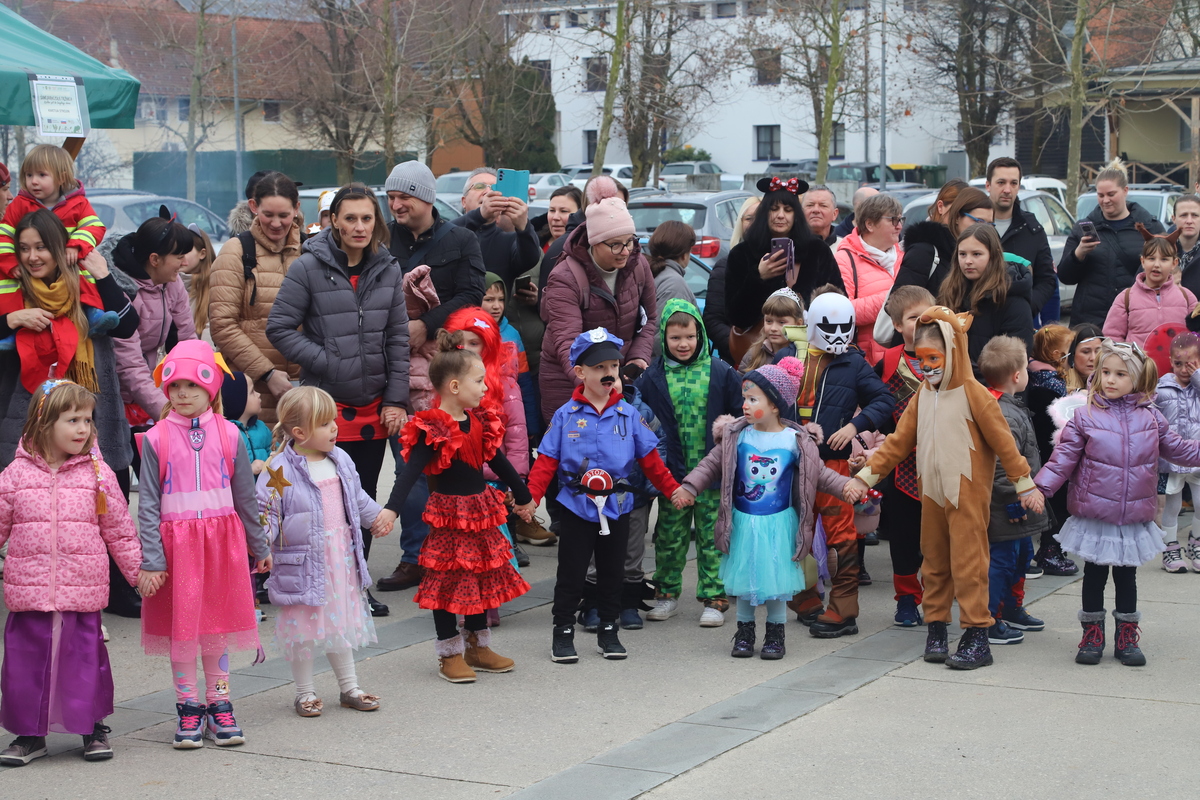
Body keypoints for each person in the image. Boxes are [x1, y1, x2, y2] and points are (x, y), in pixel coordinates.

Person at [848, 307, 1045, 670]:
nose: (926, 367)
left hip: (967, 497)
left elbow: (1005, 445)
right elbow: (897, 443)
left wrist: (1025, 485)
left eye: (934, 358)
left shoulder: (975, 394)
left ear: (954, 352)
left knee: (970, 565)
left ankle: (977, 635)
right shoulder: (922, 396)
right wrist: (864, 478)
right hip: (932, 497)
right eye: (921, 359)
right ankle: (936, 627)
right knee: (934, 563)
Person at [267, 184, 410, 616]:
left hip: (373, 406)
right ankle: (325, 585)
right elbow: (280, 327)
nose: (359, 227)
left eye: (367, 218)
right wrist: (328, 361)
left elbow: (398, 337)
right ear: (333, 221)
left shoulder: (388, 268)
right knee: (325, 504)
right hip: (326, 408)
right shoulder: (308, 267)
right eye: (350, 218)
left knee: (361, 497)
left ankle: (356, 587)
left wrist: (396, 399)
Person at [674, 357, 861, 658]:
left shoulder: (794, 440)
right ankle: (745, 632)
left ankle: (775, 634)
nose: (745, 405)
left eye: (753, 399)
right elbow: (711, 464)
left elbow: (820, 475)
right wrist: (689, 486)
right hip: (744, 522)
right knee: (745, 579)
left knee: (776, 580)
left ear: (775, 405)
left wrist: (846, 486)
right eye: (744, 398)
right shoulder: (737, 435)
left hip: (778, 524)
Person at [135, 341, 271, 748]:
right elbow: (148, 504)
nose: (183, 393)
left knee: (215, 628)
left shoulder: (229, 435)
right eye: (175, 385)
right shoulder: (155, 438)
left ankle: (219, 704)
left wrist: (259, 545)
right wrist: (152, 559)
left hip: (220, 547)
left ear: (210, 387)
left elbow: (246, 498)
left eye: (192, 385)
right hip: (177, 550)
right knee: (182, 630)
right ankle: (188, 708)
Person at [521, 328, 685, 663]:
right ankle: (562, 632)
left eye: (613, 366)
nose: (609, 373)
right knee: (571, 574)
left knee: (613, 573)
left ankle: (609, 630)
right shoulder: (565, 416)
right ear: (580, 373)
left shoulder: (629, 415)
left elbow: (651, 461)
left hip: (617, 506)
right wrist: (531, 498)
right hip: (577, 507)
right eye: (599, 367)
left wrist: (673, 489)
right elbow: (546, 461)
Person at [0, 380, 141, 767]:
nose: (83, 428)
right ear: (44, 422)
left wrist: (138, 573)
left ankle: (92, 728)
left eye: (88, 420)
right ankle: (30, 735)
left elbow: (119, 529)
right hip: (30, 591)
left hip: (82, 588)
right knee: (26, 667)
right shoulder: (15, 475)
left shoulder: (97, 473)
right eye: (73, 420)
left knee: (83, 662)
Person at [1036, 339, 1200, 666]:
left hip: (1132, 517)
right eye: (1106, 372)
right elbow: (1062, 459)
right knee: (1095, 575)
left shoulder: (1151, 418)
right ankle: (1092, 636)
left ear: (1137, 379)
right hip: (1096, 514)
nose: (1110, 379)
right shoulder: (1085, 417)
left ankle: (1126, 638)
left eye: (1120, 374)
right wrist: (1040, 489)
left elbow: (1180, 449)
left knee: (1126, 578)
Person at [384, 337, 532, 683]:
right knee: (447, 581)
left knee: (479, 576)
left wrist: (524, 496)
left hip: (480, 511)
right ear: (454, 386)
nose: (485, 387)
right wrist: (391, 510)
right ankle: (449, 653)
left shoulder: (479, 421)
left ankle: (478, 647)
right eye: (478, 381)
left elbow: (500, 462)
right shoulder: (432, 428)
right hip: (450, 517)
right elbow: (410, 473)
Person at [259, 387, 389, 716]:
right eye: (324, 423)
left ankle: (349, 687)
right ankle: (304, 693)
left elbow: (356, 497)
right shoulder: (279, 470)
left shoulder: (340, 459)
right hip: (302, 563)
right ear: (300, 432)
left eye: (333, 420)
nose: (334, 427)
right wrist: (261, 545)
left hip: (339, 557)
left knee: (339, 623)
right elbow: (267, 512)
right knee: (302, 629)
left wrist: (376, 518)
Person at [784, 290, 895, 636]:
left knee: (842, 536)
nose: (837, 334)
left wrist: (854, 426)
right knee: (794, 533)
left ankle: (844, 609)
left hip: (832, 465)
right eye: (829, 327)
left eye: (843, 327)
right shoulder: (789, 355)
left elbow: (884, 400)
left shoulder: (853, 362)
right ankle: (803, 599)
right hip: (790, 464)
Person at [0, 210, 139, 484]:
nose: (32, 257)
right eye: (24, 249)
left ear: (59, 247)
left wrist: (103, 275)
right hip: (27, 431)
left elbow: (127, 326)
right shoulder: (10, 289)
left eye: (41, 247)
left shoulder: (86, 283)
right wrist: (12, 320)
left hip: (94, 425)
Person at [637, 300, 743, 627]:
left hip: (712, 474)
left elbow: (741, 416)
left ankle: (714, 597)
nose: (683, 344)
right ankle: (666, 593)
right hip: (672, 477)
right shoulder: (652, 376)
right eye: (675, 338)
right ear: (663, 339)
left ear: (700, 335)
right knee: (669, 537)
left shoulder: (721, 372)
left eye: (689, 336)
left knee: (713, 538)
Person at [539, 195, 657, 422]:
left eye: (630, 241)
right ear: (594, 242)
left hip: (619, 378)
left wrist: (638, 358)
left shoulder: (638, 265)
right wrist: (602, 384)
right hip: (568, 383)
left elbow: (649, 318)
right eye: (615, 244)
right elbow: (567, 344)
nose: (626, 251)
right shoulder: (565, 277)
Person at [210, 171, 304, 426]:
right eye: (268, 214)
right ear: (253, 206)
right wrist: (267, 373)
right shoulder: (235, 252)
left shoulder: (310, 251)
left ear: (296, 209)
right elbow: (222, 325)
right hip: (250, 392)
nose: (276, 223)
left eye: (284, 215)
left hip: (301, 390)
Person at [725, 177, 843, 365]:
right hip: (761, 355)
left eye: (788, 210)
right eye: (774, 209)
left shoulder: (817, 250)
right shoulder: (742, 253)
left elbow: (837, 302)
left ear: (796, 214)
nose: (780, 216)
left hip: (811, 353)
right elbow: (736, 317)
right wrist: (758, 278)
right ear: (764, 213)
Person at [979, 336, 1049, 647]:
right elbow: (999, 465)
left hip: (1017, 501)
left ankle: (1011, 608)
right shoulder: (1002, 412)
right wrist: (1015, 496)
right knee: (1002, 562)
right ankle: (990, 618)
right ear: (1018, 376)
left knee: (1021, 557)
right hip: (1006, 504)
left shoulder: (1008, 406)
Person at [872, 285, 935, 627]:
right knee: (904, 536)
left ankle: (938, 594)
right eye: (913, 318)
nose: (922, 322)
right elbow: (876, 405)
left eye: (928, 316)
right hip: (902, 468)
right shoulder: (888, 361)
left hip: (942, 463)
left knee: (940, 537)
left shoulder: (953, 357)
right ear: (897, 325)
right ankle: (907, 599)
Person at [108, 214, 198, 425]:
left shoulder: (172, 282)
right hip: (113, 393)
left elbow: (187, 341)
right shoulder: (121, 291)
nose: (185, 263)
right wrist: (170, 415)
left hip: (147, 392)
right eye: (179, 257)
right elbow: (130, 365)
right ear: (155, 260)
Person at [1059, 159, 1166, 327]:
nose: (1105, 200)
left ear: (1125, 191)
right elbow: (1065, 277)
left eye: (1111, 194)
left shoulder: (1150, 227)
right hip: (1091, 320)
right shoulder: (1083, 228)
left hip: (1136, 317)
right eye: (1100, 195)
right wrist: (1079, 254)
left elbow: (1167, 273)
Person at [1025, 323, 1080, 577]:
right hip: (1053, 457)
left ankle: (1050, 550)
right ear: (1059, 355)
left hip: (1044, 455)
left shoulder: (1035, 378)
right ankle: (1050, 551)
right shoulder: (1051, 386)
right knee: (1057, 505)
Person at [0, 144, 106, 275]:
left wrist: (76, 245)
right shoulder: (19, 205)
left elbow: (94, 227)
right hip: (31, 273)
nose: (33, 181)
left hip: (70, 272)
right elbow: (3, 236)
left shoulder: (78, 204)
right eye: (29, 175)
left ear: (61, 178)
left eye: (42, 175)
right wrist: (11, 263)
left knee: (88, 287)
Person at [937, 224, 1034, 365]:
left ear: (993, 255)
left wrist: (970, 373)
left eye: (976, 254)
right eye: (962, 254)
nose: (968, 261)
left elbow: (1013, 360)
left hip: (992, 378)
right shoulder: (951, 290)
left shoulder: (1012, 299)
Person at [984, 157, 1058, 319]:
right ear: (988, 185)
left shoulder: (1032, 229)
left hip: (1019, 324)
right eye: (1001, 182)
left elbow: (1047, 280)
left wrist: (1026, 308)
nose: (1007, 190)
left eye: (1013, 183)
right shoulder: (973, 226)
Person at [835, 193, 904, 363]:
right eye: (893, 220)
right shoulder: (844, 259)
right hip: (867, 363)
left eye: (901, 219)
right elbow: (842, 312)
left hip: (904, 358)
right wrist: (894, 297)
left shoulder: (906, 256)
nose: (899, 226)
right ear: (870, 224)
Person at [891, 187, 993, 301]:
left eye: (990, 224)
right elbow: (899, 302)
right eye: (979, 221)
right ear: (957, 217)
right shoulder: (924, 252)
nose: (984, 228)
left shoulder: (988, 255)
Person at [1154, 333, 1200, 574]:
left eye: (1190, 364)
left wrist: (1197, 376)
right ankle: (1170, 548)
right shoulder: (1161, 388)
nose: (1184, 370)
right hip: (1170, 460)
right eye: (1179, 363)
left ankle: (1196, 544)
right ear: (1171, 361)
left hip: (1197, 457)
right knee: (1172, 507)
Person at [1102, 228, 1195, 347]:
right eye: (1151, 258)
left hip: (1177, 359)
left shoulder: (1186, 297)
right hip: (1138, 359)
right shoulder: (1126, 298)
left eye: (1164, 259)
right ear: (1142, 261)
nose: (1156, 264)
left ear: (1174, 263)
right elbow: (1112, 336)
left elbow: (1196, 333)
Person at [451, 167, 542, 287]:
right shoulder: (451, 231)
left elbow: (530, 259)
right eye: (479, 186)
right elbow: (444, 235)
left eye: (495, 188)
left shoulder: (508, 240)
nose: (488, 192)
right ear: (464, 201)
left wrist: (524, 227)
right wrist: (480, 215)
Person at [705, 197, 759, 365]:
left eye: (761, 218)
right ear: (740, 223)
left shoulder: (782, 265)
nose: (755, 224)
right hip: (735, 363)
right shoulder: (726, 266)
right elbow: (713, 320)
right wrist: (741, 349)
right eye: (749, 218)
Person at [740, 288, 804, 372]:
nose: (773, 328)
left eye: (781, 322)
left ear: (798, 324)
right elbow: (740, 378)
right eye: (769, 321)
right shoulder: (754, 353)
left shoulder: (803, 356)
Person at [221, 372, 271, 473]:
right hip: (243, 483)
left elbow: (272, 450)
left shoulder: (261, 428)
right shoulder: (224, 434)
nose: (258, 394)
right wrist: (249, 471)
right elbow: (222, 470)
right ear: (238, 400)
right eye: (252, 392)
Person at [648, 219, 698, 315]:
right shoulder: (675, 285)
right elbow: (666, 324)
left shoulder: (652, 272)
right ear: (684, 254)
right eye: (690, 250)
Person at [182, 224, 214, 340]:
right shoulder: (166, 285)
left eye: (186, 250)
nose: (179, 255)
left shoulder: (214, 287)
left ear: (202, 254)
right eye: (176, 250)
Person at [533, 185, 584, 250]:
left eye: (564, 211)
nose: (555, 217)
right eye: (552, 210)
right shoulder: (534, 242)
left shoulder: (587, 249)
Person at [1173, 195, 1200, 296]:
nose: (1189, 221)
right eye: (1183, 215)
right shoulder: (1160, 250)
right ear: (1174, 219)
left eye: (1195, 215)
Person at [1065, 323, 1104, 393]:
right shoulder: (1059, 385)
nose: (1093, 358)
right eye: (1086, 352)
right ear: (1071, 354)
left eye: (1098, 352)